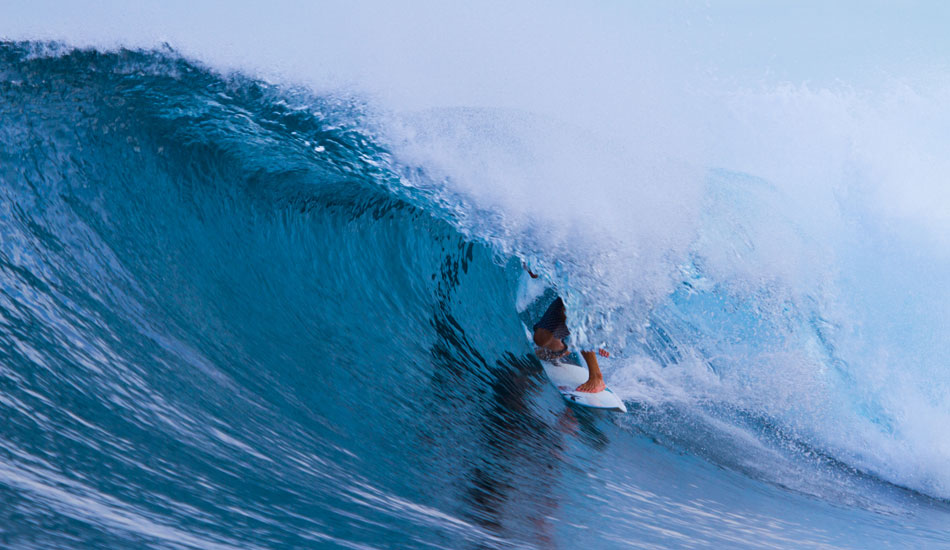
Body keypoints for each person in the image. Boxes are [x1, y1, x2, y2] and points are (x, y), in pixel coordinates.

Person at [526, 266, 609, 393]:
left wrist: (602, 337)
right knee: (540, 339)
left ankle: (596, 377)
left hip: (593, 295)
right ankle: (561, 350)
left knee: (571, 313)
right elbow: (535, 272)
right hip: (568, 294)